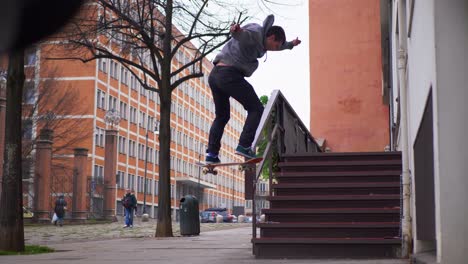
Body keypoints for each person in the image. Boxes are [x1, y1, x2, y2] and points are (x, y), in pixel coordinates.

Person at [205, 14, 301, 164]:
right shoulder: (256, 34)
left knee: (222, 116)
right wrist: (235, 31)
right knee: (256, 108)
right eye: (275, 46)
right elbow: (242, 35)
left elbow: (281, 46)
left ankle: (211, 154)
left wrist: (291, 44)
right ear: (271, 37)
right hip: (229, 75)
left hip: (215, 75)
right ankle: (244, 145)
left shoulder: (266, 40)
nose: (275, 50)